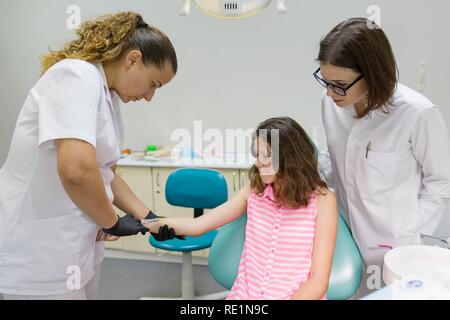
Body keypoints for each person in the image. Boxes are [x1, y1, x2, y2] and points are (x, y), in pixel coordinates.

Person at [0, 12, 178, 300]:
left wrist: (148, 217)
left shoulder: (106, 94)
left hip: (74, 247)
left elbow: (103, 173)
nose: (149, 97)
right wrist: (112, 222)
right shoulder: (76, 75)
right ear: (133, 59)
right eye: (153, 84)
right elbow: (77, 170)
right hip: (39, 251)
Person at [314, 17, 450, 295]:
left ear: (372, 73)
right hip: (345, 234)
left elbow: (441, 181)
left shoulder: (417, 114)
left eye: (339, 84)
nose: (329, 93)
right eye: (325, 80)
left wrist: (411, 228)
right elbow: (336, 155)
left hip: (395, 244)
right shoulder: (331, 104)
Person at [146, 117, 338, 300]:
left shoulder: (323, 200)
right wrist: (143, 224)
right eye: (257, 154)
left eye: (267, 156)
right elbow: (199, 225)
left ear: (290, 158)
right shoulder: (254, 192)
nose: (258, 162)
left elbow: (318, 282)